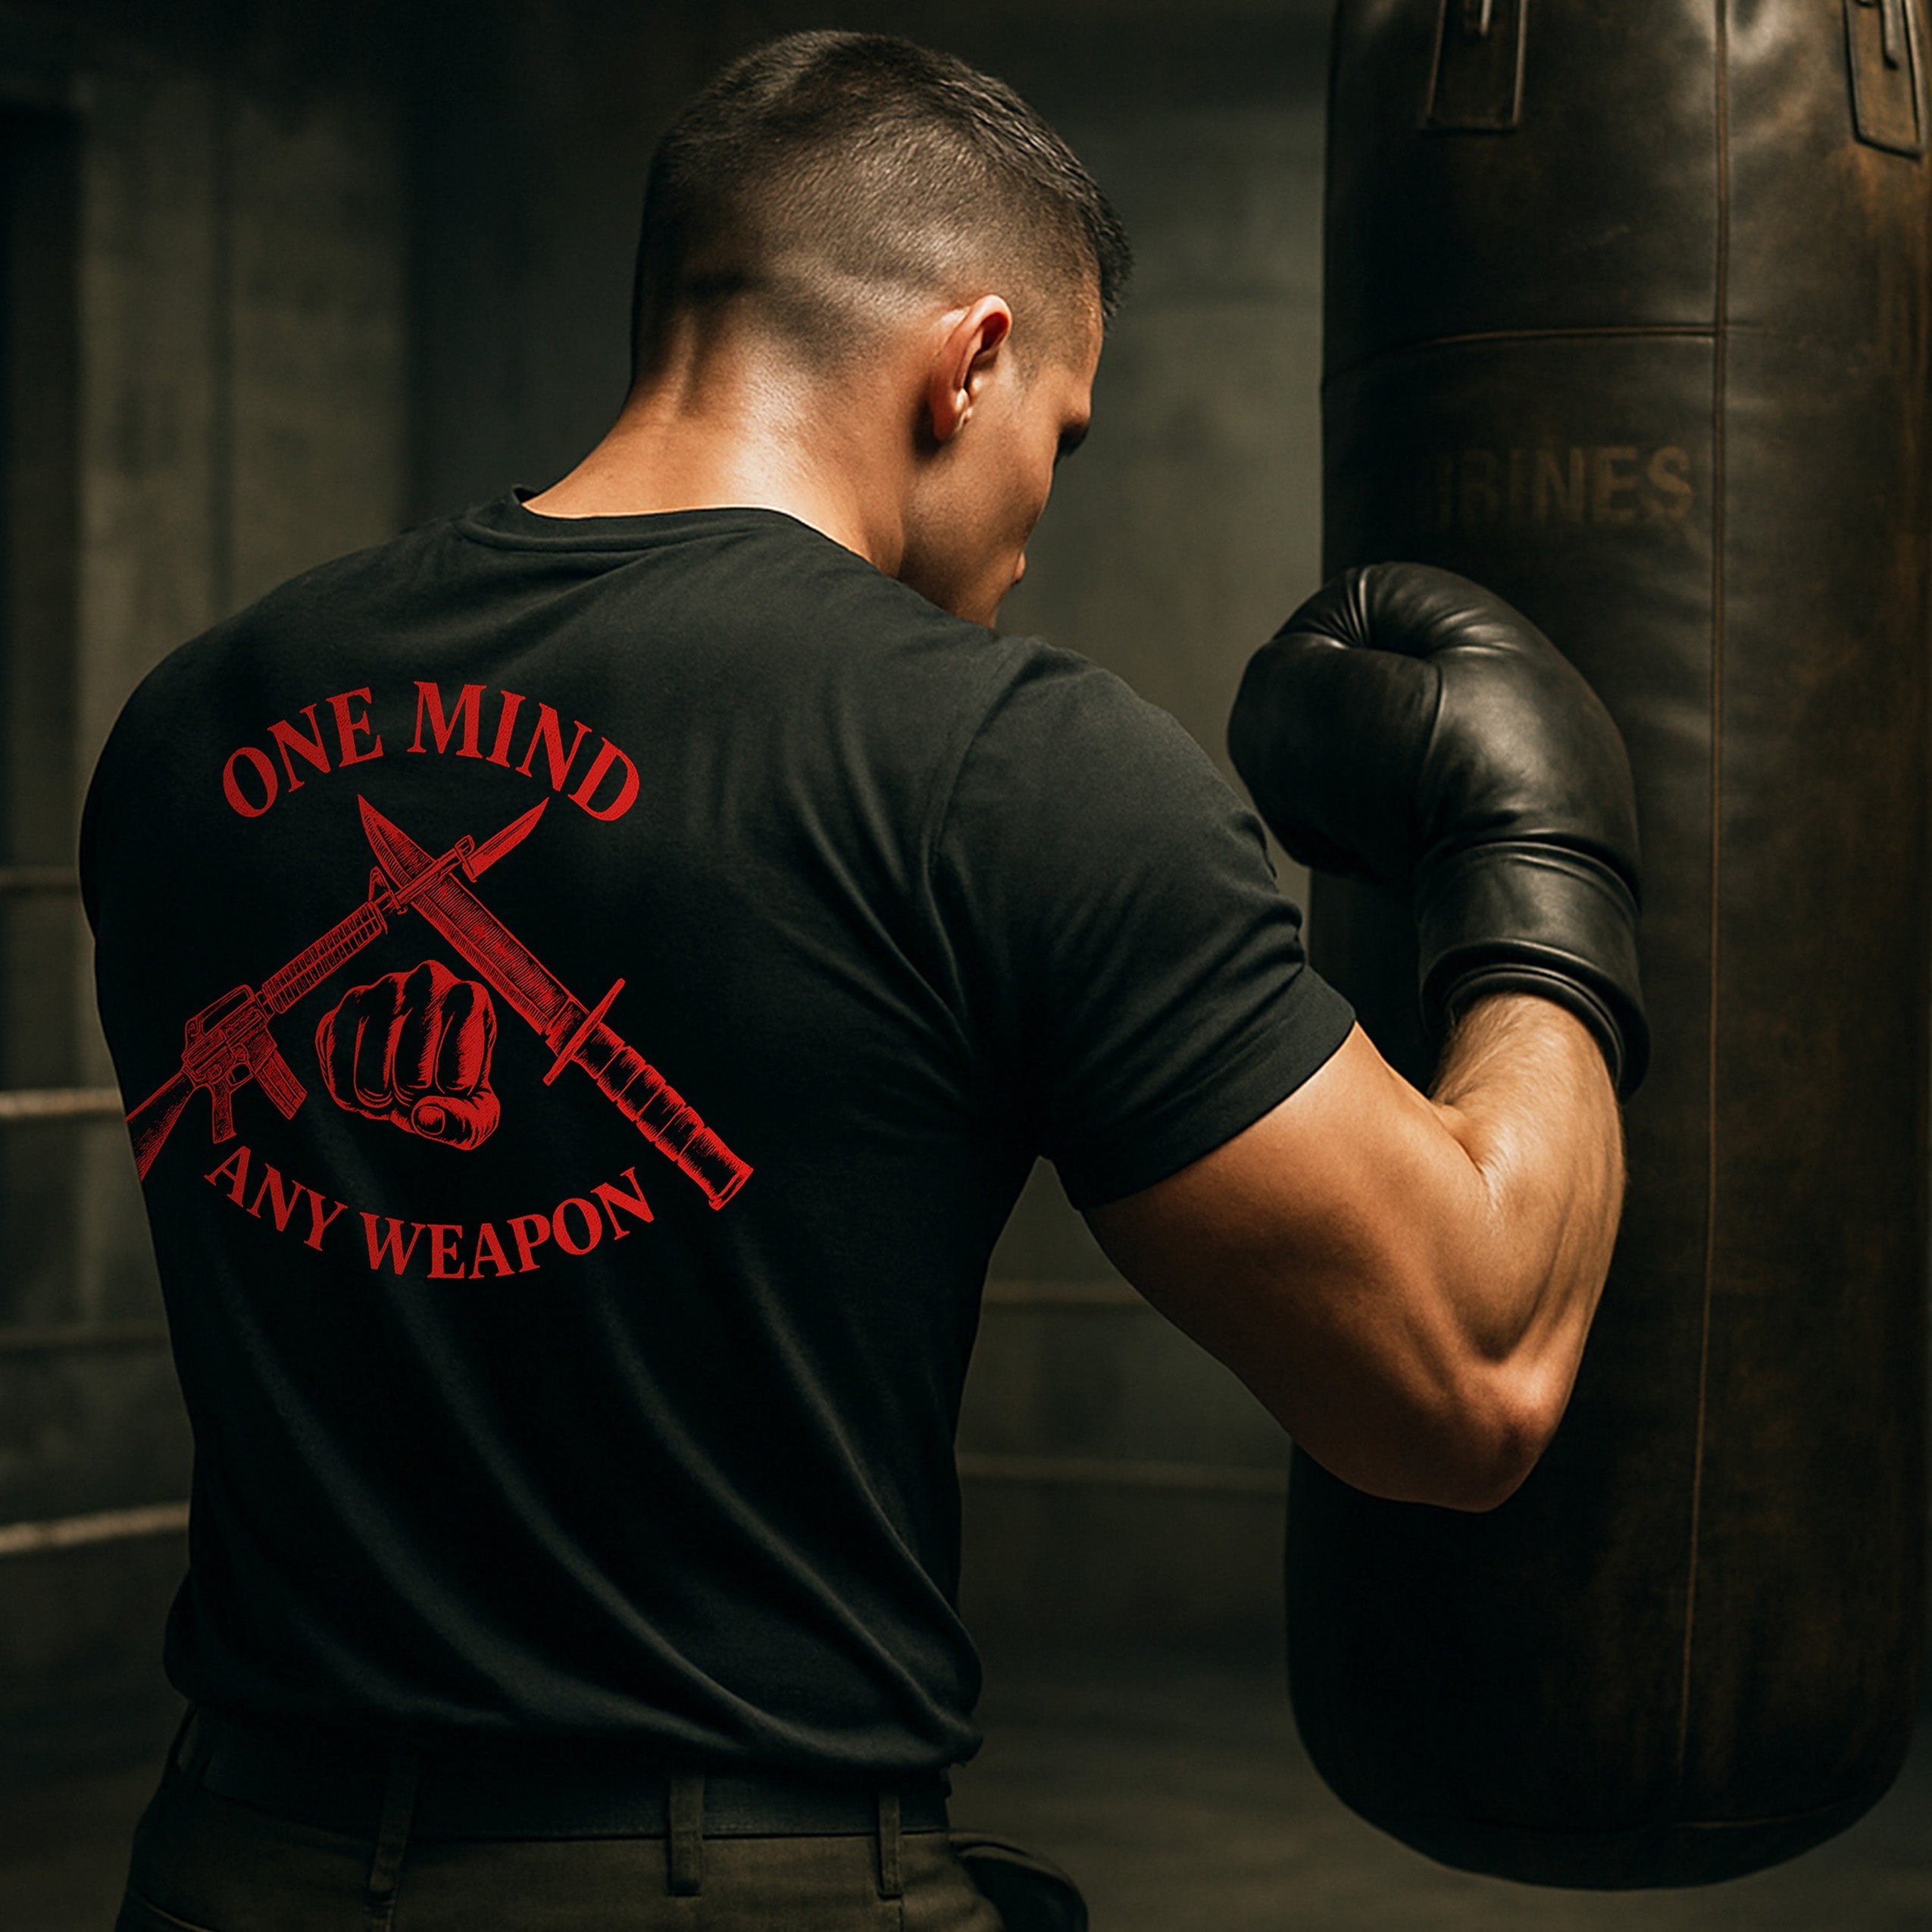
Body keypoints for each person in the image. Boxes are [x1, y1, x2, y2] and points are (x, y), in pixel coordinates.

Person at [84, 30, 1639, 1932]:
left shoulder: (193, 730)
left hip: (227, 1864)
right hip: (733, 1882)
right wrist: (1547, 867)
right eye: (1055, 441)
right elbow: (1466, 1376)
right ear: (969, 360)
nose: (1027, 533)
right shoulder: (1001, 764)